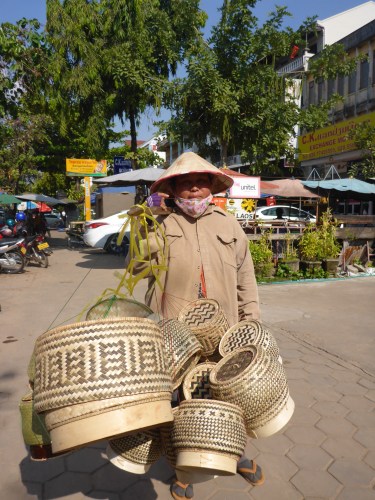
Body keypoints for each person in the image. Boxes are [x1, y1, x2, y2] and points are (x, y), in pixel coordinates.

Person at [126, 152, 264, 499]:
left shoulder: (228, 225)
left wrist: (253, 322)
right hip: (176, 334)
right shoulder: (161, 224)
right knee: (181, 401)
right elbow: (137, 270)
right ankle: (185, 472)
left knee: (229, 397)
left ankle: (236, 454)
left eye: (199, 182)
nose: (193, 189)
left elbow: (245, 277)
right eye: (185, 184)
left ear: (211, 187)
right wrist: (142, 227)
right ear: (173, 190)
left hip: (225, 333)